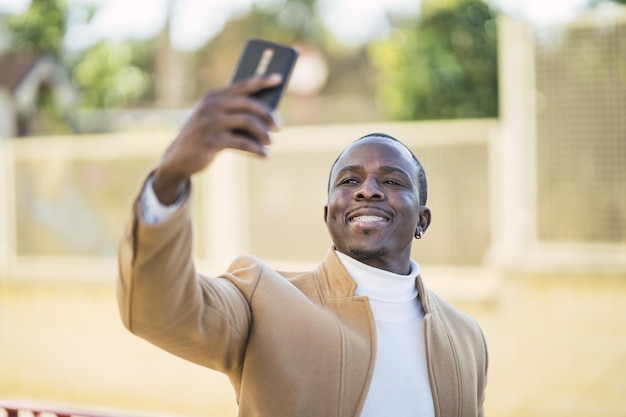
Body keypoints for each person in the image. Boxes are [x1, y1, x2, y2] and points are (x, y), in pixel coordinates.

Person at [117, 74, 488, 417]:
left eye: (391, 181)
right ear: (330, 214)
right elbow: (158, 311)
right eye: (349, 180)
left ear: (422, 220)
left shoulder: (466, 338)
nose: (367, 189)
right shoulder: (262, 300)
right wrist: (170, 177)